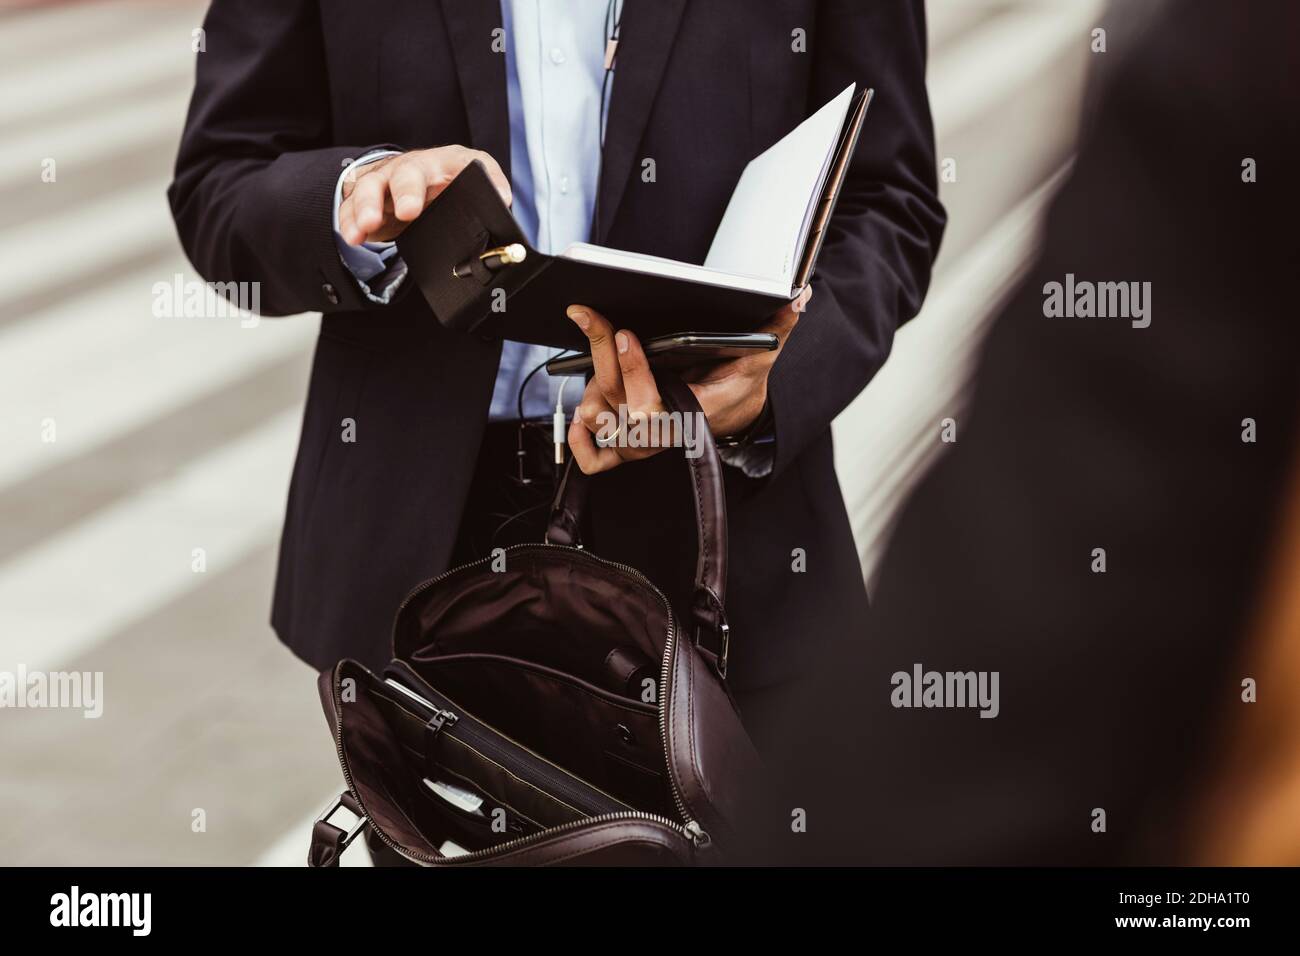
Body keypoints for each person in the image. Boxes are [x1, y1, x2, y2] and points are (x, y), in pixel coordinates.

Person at [169, 0, 944, 759]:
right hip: (425, 549)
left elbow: (890, 197)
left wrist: (774, 379)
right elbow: (219, 181)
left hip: (727, 542)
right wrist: (357, 192)